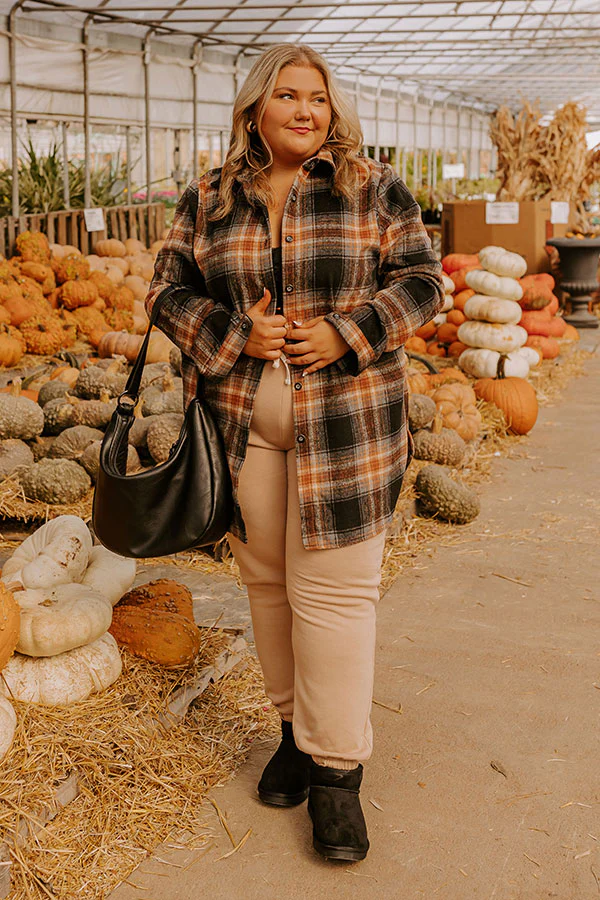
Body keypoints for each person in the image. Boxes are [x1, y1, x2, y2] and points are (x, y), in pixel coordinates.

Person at [146, 43, 444, 863]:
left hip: (347, 428)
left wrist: (349, 331)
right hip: (242, 423)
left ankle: (337, 775)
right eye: (287, 95)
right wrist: (234, 334)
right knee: (270, 587)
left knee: (337, 596)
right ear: (255, 110)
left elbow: (424, 281)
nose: (306, 110)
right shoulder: (209, 196)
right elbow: (165, 292)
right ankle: (294, 734)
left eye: (318, 97)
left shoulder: (373, 186)